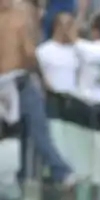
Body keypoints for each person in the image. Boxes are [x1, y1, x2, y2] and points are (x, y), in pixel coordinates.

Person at [0, 0, 77, 185]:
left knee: (26, 132)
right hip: (17, 80)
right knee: (38, 129)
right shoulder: (17, 20)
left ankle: (24, 176)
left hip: (3, 82)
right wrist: (41, 79)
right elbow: (28, 53)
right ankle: (61, 171)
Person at [36, 12, 79, 95]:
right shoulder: (43, 50)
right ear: (57, 27)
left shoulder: (77, 50)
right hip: (52, 96)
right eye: (68, 26)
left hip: (74, 97)